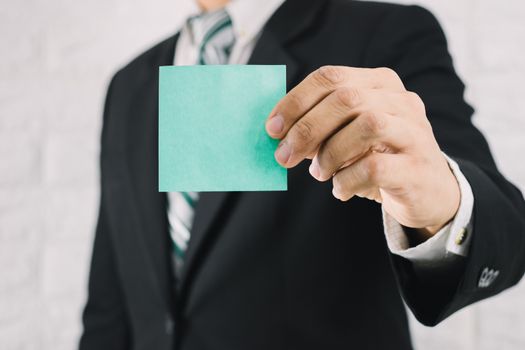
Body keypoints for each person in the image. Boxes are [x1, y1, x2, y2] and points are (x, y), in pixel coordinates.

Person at [79, 0, 525, 349]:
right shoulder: (129, 85)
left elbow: (504, 237)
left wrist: (438, 203)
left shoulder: (386, 35)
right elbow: (110, 301)